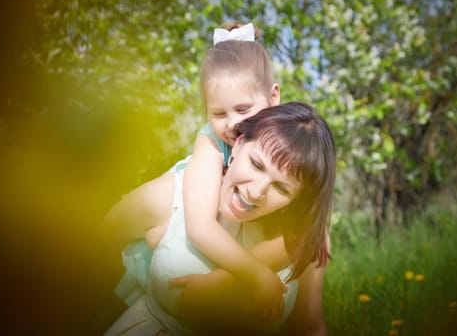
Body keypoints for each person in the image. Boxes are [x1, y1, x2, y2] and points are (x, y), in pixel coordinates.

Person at [103, 102, 336, 335]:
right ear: (238, 144)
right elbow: (94, 246)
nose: (256, 192)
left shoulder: (308, 239)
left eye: (281, 188)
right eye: (256, 165)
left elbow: (309, 328)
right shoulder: (171, 198)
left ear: (296, 199)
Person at [174, 21, 286, 316]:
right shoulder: (211, 141)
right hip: (203, 223)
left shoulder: (284, 136)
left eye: (244, 109)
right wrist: (259, 275)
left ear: (273, 97)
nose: (233, 123)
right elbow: (200, 227)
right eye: (218, 113)